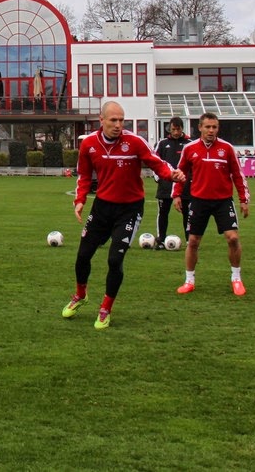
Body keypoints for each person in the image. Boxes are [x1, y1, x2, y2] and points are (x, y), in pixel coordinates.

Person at [62, 101, 184, 330]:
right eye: (113, 120)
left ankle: (105, 307)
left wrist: (172, 174)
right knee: (82, 256)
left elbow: (157, 164)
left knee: (114, 259)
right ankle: (81, 295)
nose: (118, 125)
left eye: (122, 120)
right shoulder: (89, 144)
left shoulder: (135, 142)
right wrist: (79, 201)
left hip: (129, 210)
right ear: (101, 120)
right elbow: (85, 176)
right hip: (101, 208)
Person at [173, 112, 250, 297]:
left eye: (214, 127)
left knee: (233, 238)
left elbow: (238, 175)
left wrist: (243, 199)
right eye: (207, 127)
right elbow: (180, 172)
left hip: (223, 201)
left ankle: (236, 278)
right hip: (198, 201)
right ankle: (189, 281)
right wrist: (176, 195)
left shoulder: (227, 148)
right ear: (200, 127)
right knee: (193, 241)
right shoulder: (190, 149)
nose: (211, 130)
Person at [152, 117, 189, 247]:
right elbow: (154, 161)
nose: (176, 132)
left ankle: (190, 241)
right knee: (163, 213)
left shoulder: (189, 143)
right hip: (165, 186)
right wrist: (158, 179)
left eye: (178, 129)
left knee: (187, 214)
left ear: (182, 128)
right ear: (170, 128)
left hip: (185, 187)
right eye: (173, 129)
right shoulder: (162, 143)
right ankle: (161, 239)